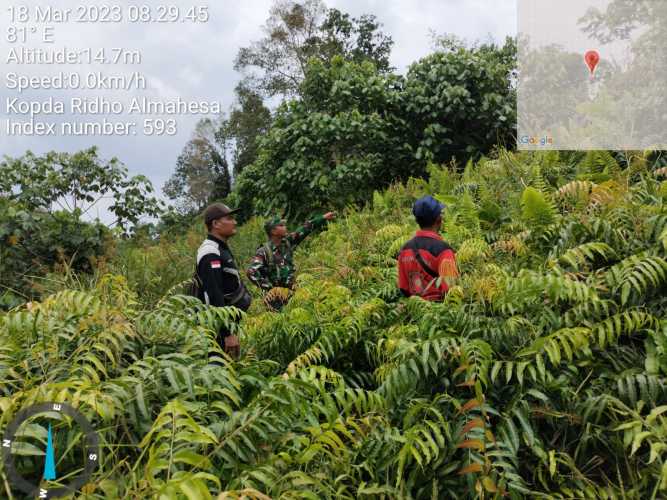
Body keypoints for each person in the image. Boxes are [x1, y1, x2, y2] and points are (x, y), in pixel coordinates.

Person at [194, 203, 252, 358]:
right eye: (229, 218)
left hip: (228, 325)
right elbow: (213, 295)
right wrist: (227, 333)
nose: (235, 222)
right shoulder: (210, 252)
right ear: (215, 224)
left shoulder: (221, 247)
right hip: (217, 332)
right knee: (218, 368)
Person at [246, 211, 336, 309]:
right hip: (276, 299)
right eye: (281, 225)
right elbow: (251, 272)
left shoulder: (288, 242)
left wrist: (323, 218)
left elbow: (305, 228)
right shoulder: (264, 251)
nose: (285, 227)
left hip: (293, 293)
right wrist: (270, 289)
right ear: (273, 231)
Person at [397, 196, 458, 301]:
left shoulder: (404, 250)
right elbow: (451, 290)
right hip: (440, 313)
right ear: (439, 220)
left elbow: (404, 288)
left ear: (417, 221)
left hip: (416, 312)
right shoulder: (444, 251)